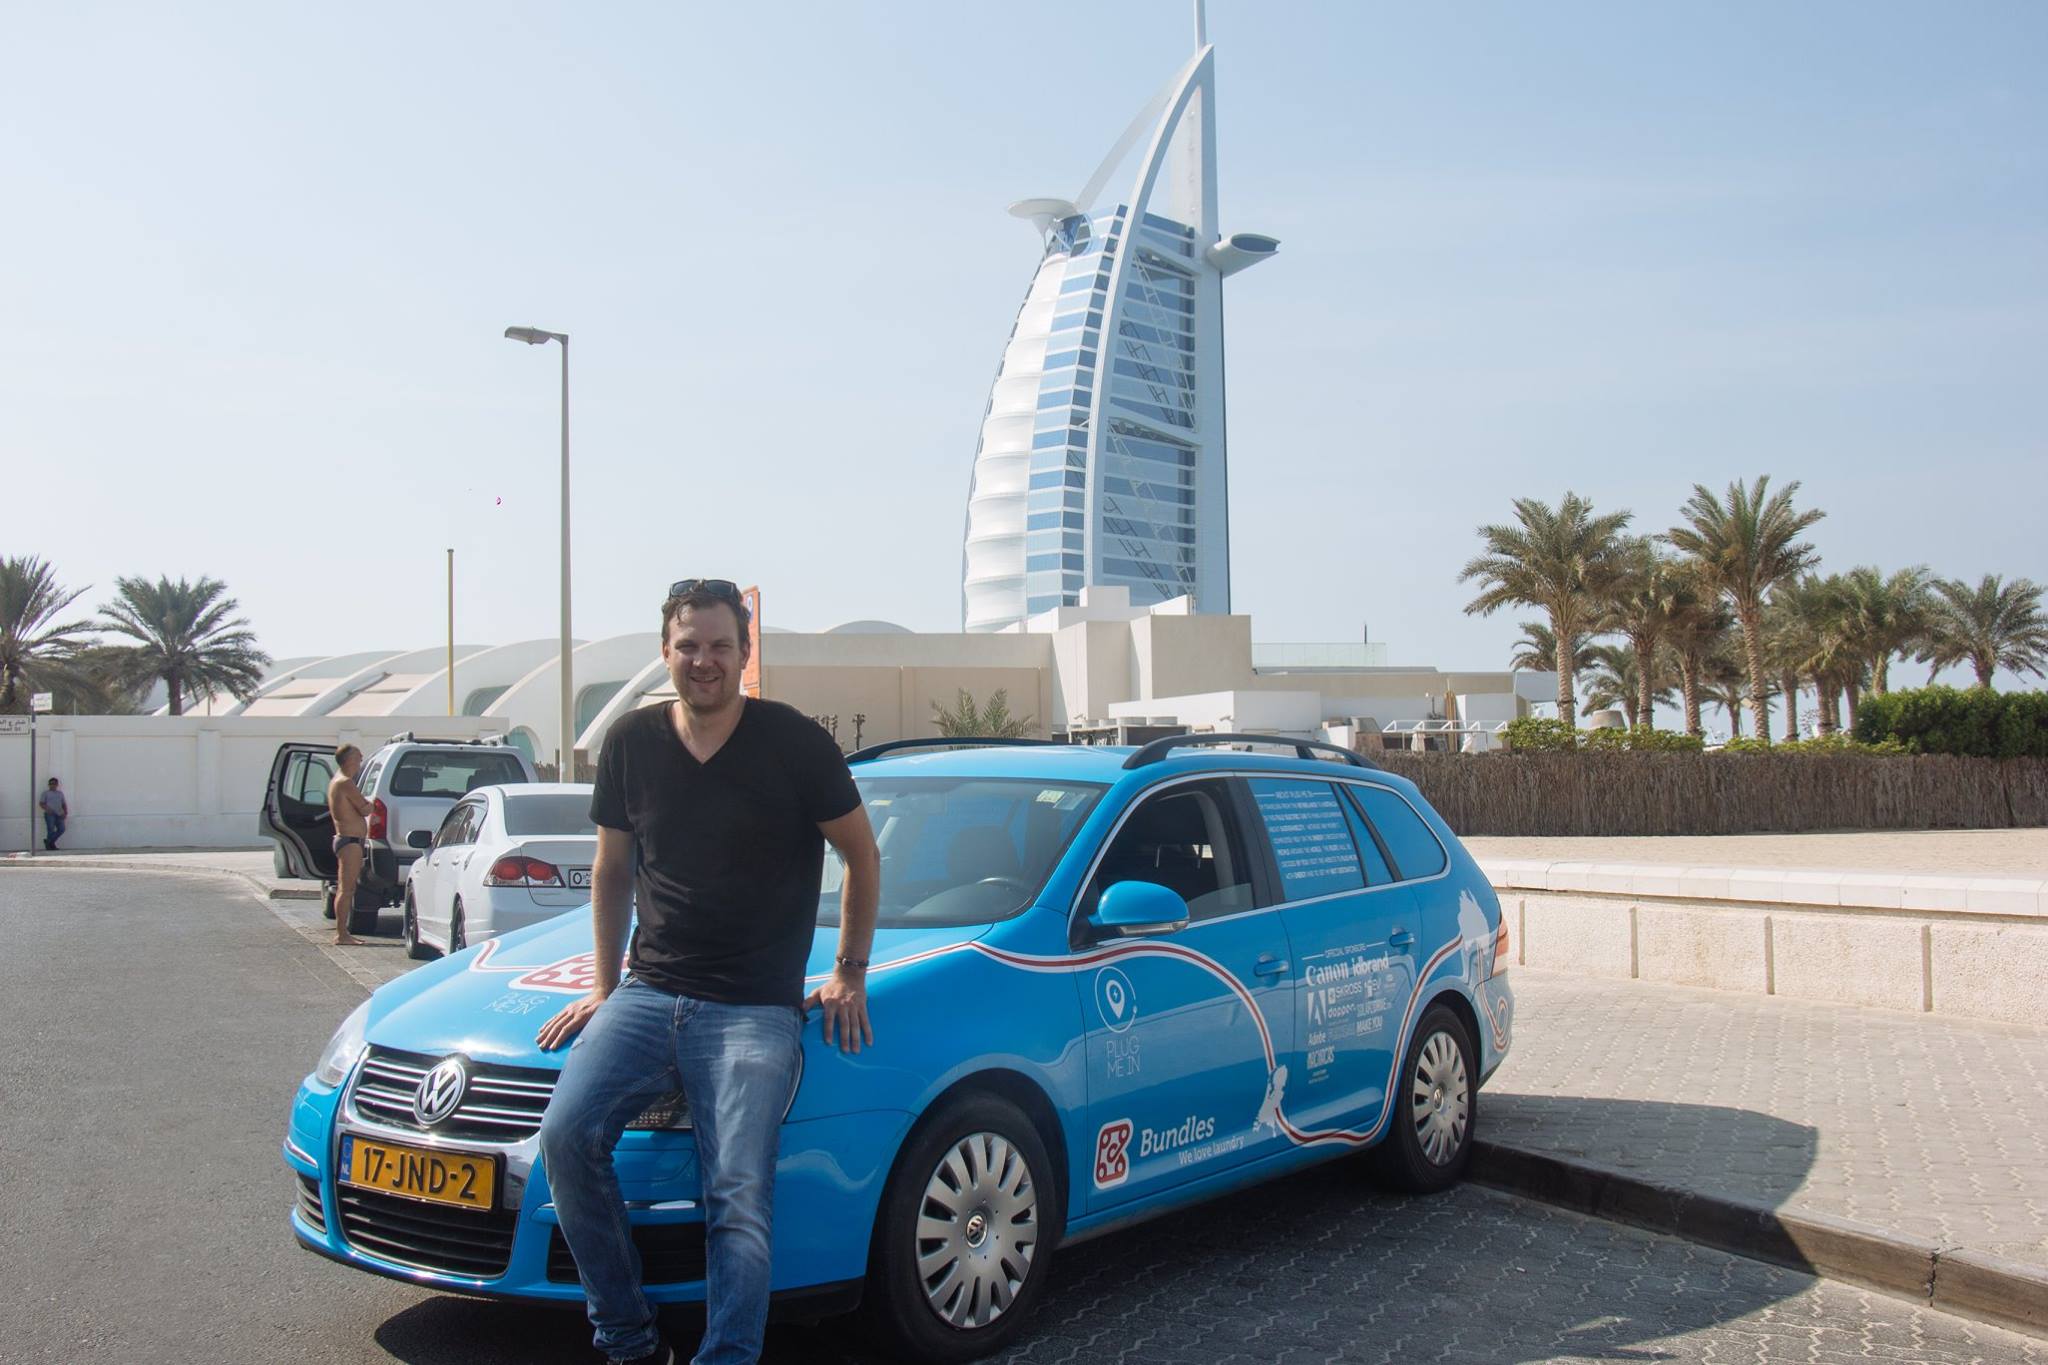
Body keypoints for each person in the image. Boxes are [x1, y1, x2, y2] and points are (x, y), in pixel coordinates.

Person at [535, 579, 881, 1365]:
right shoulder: (630, 742)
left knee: (737, 1192)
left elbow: (860, 853)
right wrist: (604, 988)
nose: (704, 660)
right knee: (566, 1137)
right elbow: (612, 870)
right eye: (688, 645)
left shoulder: (794, 742)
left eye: (721, 645)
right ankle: (629, 1340)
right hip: (650, 990)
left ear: (744, 653)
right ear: (665, 652)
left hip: (754, 1008)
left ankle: (727, 1355)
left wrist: (849, 969)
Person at [325, 745, 374, 947]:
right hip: (349, 842)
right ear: (349, 759)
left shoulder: (338, 780)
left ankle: (342, 932)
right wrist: (372, 803)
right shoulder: (345, 782)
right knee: (346, 889)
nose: (361, 758)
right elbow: (365, 809)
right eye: (357, 756)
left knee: (346, 888)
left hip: (348, 840)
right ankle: (341, 934)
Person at [40, 777, 68, 851]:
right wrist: (47, 809)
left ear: (57, 785)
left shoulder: (60, 793)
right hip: (50, 814)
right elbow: (41, 803)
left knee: (62, 829)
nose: (52, 785)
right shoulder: (45, 793)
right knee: (51, 829)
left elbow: (63, 804)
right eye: (51, 784)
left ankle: (48, 841)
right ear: (49, 785)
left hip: (60, 814)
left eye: (54, 784)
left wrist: (65, 813)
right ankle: (51, 845)